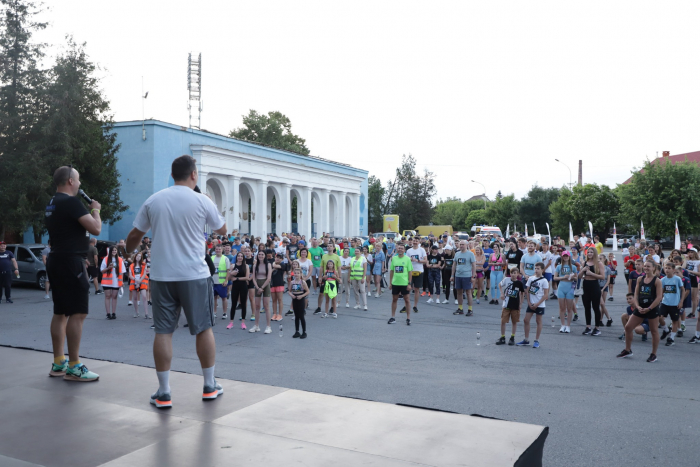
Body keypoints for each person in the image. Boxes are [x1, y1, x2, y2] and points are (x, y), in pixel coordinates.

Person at [126, 154, 227, 408]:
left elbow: (136, 234)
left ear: (172, 175)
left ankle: (164, 392)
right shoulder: (202, 200)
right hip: (195, 274)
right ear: (194, 175)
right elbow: (222, 230)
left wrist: (128, 251)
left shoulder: (154, 200)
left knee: (163, 331)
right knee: (203, 329)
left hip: (162, 275)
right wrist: (210, 206)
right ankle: (209, 385)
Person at [44, 166, 102, 382]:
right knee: (78, 313)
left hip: (56, 259)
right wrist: (95, 209)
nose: (79, 184)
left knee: (60, 312)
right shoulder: (70, 202)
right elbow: (96, 229)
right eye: (77, 180)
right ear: (70, 181)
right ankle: (75, 366)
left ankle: (59, 362)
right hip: (71, 262)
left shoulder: (52, 202)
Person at [617, 261, 662, 362]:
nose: (646, 268)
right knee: (628, 327)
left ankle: (653, 354)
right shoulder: (640, 279)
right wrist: (637, 306)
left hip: (652, 308)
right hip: (640, 308)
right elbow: (636, 295)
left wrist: (649, 308)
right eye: (645, 266)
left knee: (654, 331)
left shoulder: (657, 281)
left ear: (653, 268)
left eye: (648, 266)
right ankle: (628, 350)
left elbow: (659, 297)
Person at [517, 263, 548, 348]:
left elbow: (545, 295)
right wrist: (529, 303)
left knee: (538, 321)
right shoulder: (531, 279)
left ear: (542, 270)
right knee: (526, 320)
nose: (536, 270)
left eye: (538, 268)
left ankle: (537, 340)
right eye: (535, 268)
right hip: (531, 304)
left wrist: (537, 304)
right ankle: (526, 339)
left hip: (540, 304)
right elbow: (527, 291)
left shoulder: (544, 281)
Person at [578, 247, 605, 336]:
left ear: (595, 253)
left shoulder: (599, 263)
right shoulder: (585, 263)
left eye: (591, 252)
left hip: (594, 286)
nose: (589, 253)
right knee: (587, 307)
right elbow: (579, 276)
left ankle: (597, 327)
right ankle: (588, 326)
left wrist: (591, 274)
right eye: (588, 252)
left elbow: (602, 277)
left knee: (595, 307)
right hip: (586, 285)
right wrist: (583, 270)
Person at [496, 268, 524, 345]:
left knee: (514, 321)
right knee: (503, 321)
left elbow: (522, 293)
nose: (513, 275)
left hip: (515, 305)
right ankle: (502, 337)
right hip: (506, 304)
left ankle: (512, 337)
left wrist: (520, 303)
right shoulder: (506, 280)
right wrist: (501, 293)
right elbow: (500, 284)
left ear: (518, 274)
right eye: (512, 273)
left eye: (515, 273)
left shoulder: (519, 283)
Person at [659, 261, 683, 346]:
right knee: (660, 318)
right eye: (666, 268)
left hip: (675, 304)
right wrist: (660, 299)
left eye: (669, 268)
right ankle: (666, 330)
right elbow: (661, 291)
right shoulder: (662, 280)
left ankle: (671, 338)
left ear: (673, 270)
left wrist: (681, 301)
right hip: (665, 303)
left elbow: (682, 289)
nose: (667, 270)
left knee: (674, 321)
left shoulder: (677, 279)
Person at [388, 244, 413, 325]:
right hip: (395, 283)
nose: (400, 250)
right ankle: (393, 317)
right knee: (394, 299)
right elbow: (391, 271)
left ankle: (408, 318)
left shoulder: (407, 259)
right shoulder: (394, 259)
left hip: (404, 283)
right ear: (397, 249)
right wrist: (390, 282)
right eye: (399, 248)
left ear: (404, 250)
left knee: (407, 300)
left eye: (402, 248)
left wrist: (409, 283)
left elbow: (410, 272)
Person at [554, 251, 577, 333]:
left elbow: (576, 278)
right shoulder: (559, 266)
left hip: (570, 288)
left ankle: (568, 326)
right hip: (561, 287)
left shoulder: (573, 267)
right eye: (564, 256)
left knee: (569, 308)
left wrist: (572, 277)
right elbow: (555, 278)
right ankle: (562, 325)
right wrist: (563, 277)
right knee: (562, 307)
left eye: (567, 256)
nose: (565, 257)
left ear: (569, 257)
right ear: (562, 257)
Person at [452, 240, 476, 316]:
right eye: (460, 244)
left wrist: (473, 276)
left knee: (468, 292)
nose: (461, 246)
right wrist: (452, 275)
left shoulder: (470, 254)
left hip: (467, 276)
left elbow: (474, 265)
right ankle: (460, 308)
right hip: (458, 275)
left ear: (467, 245)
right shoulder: (457, 254)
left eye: (463, 244)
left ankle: (470, 309)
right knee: (459, 292)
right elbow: (454, 265)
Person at [250, 249, 272, 333]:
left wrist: (262, 287)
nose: (260, 256)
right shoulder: (255, 265)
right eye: (259, 254)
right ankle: (256, 325)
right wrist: (257, 287)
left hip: (265, 285)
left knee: (266, 306)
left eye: (262, 254)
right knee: (257, 306)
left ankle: (268, 326)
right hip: (257, 284)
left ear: (265, 256)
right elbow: (254, 278)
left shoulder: (268, 264)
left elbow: (269, 278)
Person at [100, 246, 125, 319]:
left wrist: (122, 282)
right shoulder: (106, 258)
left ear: (117, 251)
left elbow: (122, 271)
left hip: (116, 281)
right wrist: (108, 268)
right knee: (108, 296)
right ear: (110, 251)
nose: (114, 251)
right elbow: (102, 270)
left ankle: (113, 313)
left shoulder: (120, 260)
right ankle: (108, 313)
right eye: (113, 250)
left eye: (115, 250)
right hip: (107, 281)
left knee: (114, 296)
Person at [226, 251, 249, 330]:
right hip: (235, 286)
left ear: (243, 258)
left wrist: (237, 278)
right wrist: (232, 273)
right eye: (238, 256)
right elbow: (228, 277)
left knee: (243, 304)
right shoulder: (233, 265)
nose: (240, 257)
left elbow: (247, 278)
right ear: (236, 257)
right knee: (233, 304)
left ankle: (243, 322)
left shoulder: (246, 266)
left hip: (243, 286)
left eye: (241, 256)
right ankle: (231, 322)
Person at [288, 262, 309, 338]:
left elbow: (307, 291)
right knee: (296, 316)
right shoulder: (292, 282)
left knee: (301, 316)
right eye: (295, 273)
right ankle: (297, 331)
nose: (296, 274)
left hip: (301, 299)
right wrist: (291, 295)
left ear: (300, 274)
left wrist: (302, 296)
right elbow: (289, 291)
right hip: (295, 299)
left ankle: (304, 331)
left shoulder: (302, 282)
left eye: (298, 273)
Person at [406, 238, 427, 313]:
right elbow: (406, 260)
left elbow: (425, 261)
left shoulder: (422, 250)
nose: (415, 242)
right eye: (414, 241)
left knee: (416, 289)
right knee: (408, 288)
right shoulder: (409, 251)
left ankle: (415, 305)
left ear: (419, 242)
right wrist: (410, 260)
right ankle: (407, 304)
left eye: (416, 241)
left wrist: (418, 260)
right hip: (410, 271)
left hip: (419, 271)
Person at [210, 244, 230, 320]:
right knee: (214, 298)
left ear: (222, 250)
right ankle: (214, 312)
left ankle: (224, 313)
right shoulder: (212, 258)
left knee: (224, 298)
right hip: (213, 282)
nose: (218, 250)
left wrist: (226, 281)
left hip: (221, 282)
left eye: (219, 249)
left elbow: (228, 271)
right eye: (216, 249)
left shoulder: (225, 259)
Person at [129, 251, 150, 319]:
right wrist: (136, 280)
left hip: (142, 282)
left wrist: (139, 281)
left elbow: (144, 274)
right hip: (134, 282)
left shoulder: (144, 264)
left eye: (140, 256)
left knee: (144, 296)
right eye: (137, 256)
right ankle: (136, 312)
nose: (138, 257)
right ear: (135, 257)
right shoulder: (131, 265)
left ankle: (146, 313)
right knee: (135, 298)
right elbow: (130, 275)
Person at [269, 254, 288, 322]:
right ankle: (274, 314)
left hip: (280, 284)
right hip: (272, 284)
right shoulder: (271, 264)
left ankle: (280, 314)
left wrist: (273, 263)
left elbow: (274, 265)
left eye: (279, 258)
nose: (277, 259)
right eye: (276, 257)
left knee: (280, 299)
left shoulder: (283, 265)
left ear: (282, 259)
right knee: (274, 300)